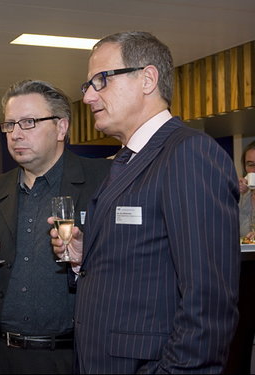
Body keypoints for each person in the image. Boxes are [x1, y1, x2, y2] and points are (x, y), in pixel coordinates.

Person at [49, 31, 240, 374]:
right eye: (87, 86)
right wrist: (83, 257)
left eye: (101, 81)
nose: (89, 97)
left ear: (148, 79)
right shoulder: (126, 161)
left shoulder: (188, 154)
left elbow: (209, 302)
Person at [0, 79, 111, 374]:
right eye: (10, 125)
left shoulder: (103, 180)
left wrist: (84, 257)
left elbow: (131, 265)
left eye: (29, 122)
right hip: (0, 356)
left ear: (61, 127)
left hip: (71, 357)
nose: (15, 134)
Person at [224, 140, 255, 374]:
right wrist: (233, 195)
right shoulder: (242, 194)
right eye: (250, 165)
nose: (253, 171)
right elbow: (232, 230)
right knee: (239, 338)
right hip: (243, 271)